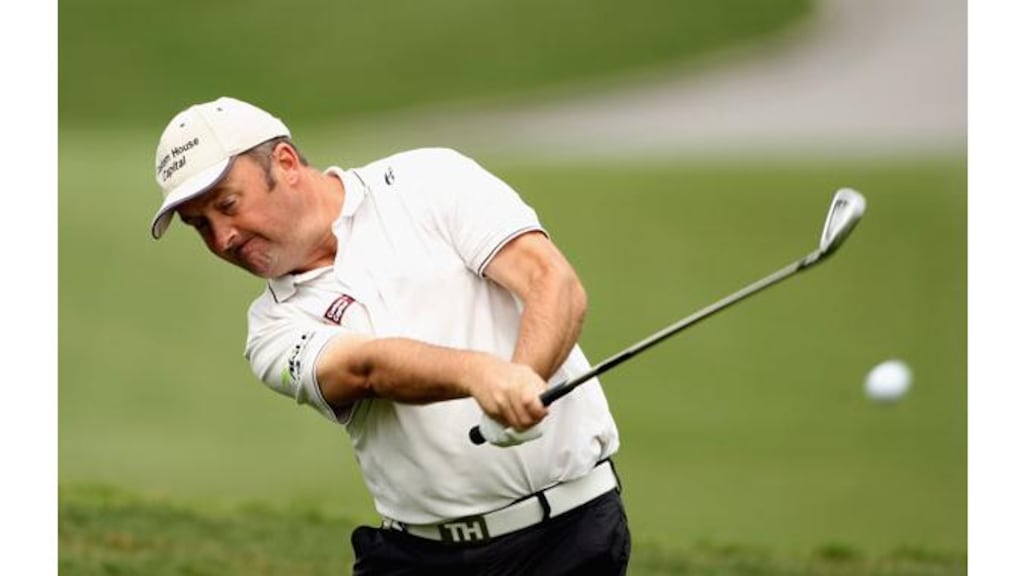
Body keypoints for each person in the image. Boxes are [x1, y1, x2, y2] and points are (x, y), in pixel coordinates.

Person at [150, 96, 629, 575]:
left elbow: (551, 280)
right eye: (200, 225)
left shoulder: (428, 181)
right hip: (420, 557)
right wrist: (482, 375)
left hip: (570, 539)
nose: (222, 239)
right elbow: (367, 369)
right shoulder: (271, 328)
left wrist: (526, 376)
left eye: (228, 205)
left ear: (286, 163)